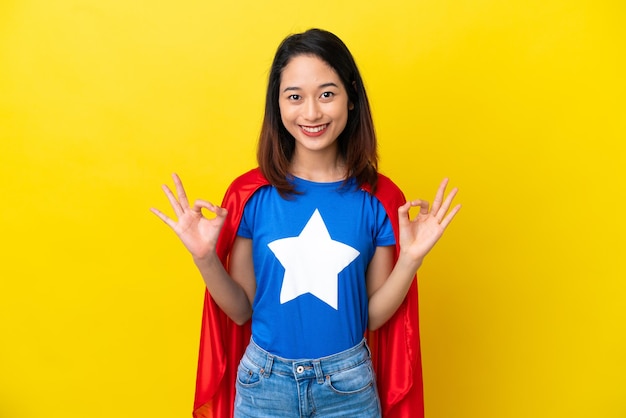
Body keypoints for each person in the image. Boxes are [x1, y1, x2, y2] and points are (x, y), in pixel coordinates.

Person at [151, 28, 460, 418]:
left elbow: (373, 316)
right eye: (295, 97)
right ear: (277, 105)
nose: (311, 112)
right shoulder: (252, 195)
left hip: (348, 386)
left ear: (350, 98)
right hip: (264, 385)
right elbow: (241, 310)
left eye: (327, 94)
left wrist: (411, 258)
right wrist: (204, 258)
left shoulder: (379, 200)